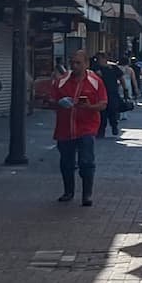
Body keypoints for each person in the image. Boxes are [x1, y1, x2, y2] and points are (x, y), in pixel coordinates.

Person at [48, 49, 107, 207]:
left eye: (78, 63)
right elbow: (50, 100)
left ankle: (87, 194)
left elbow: (103, 104)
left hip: (86, 128)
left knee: (86, 161)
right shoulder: (61, 81)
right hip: (65, 128)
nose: (74, 66)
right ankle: (68, 192)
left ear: (86, 64)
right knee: (66, 162)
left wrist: (89, 107)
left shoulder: (95, 81)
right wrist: (58, 103)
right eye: (72, 63)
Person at [96, 53, 125, 139]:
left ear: (105, 59)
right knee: (102, 113)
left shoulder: (113, 68)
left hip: (112, 93)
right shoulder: (96, 68)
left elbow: (121, 78)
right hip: (101, 94)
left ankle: (114, 126)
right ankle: (101, 131)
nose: (98, 61)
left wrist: (125, 89)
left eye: (100, 59)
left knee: (113, 111)